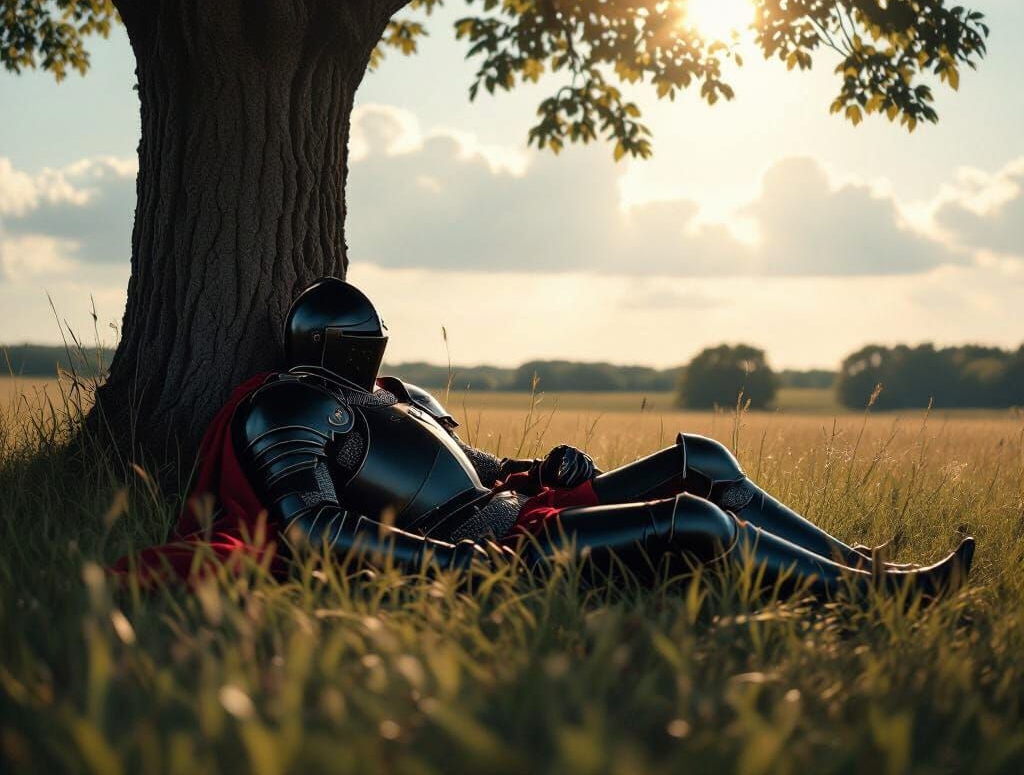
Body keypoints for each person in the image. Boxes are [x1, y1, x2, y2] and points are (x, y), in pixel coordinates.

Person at [232, 277, 974, 602]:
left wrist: (541, 466)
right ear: (331, 343)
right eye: (362, 343)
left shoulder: (396, 397)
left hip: (516, 514)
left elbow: (476, 467)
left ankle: (861, 565)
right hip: (497, 558)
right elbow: (313, 529)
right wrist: (454, 565)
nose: (373, 353)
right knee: (696, 520)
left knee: (702, 460)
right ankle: (877, 599)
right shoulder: (288, 407)